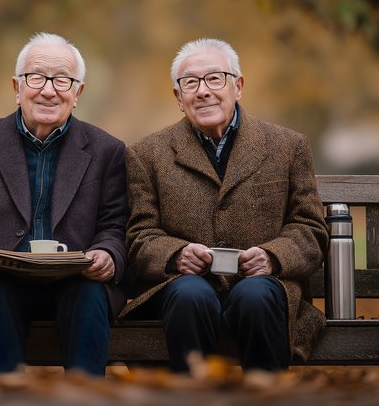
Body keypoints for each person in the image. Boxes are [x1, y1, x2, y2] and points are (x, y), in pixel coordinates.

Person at [0, 32, 128, 376]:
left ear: (78, 93)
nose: (49, 90)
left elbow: (116, 226)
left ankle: (85, 396)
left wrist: (109, 255)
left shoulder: (107, 150)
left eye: (62, 80)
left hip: (76, 281)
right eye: (36, 77)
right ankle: (5, 394)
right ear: (17, 87)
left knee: (90, 294)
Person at [121, 38, 329, 372]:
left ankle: (265, 393)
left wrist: (273, 256)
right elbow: (139, 237)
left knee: (255, 295)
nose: (203, 91)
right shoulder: (146, 154)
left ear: (238, 86)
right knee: (190, 294)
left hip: (266, 286)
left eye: (215, 78)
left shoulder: (288, 146)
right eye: (190, 82)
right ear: (179, 97)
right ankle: (189, 394)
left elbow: (310, 229)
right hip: (183, 288)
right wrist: (176, 254)